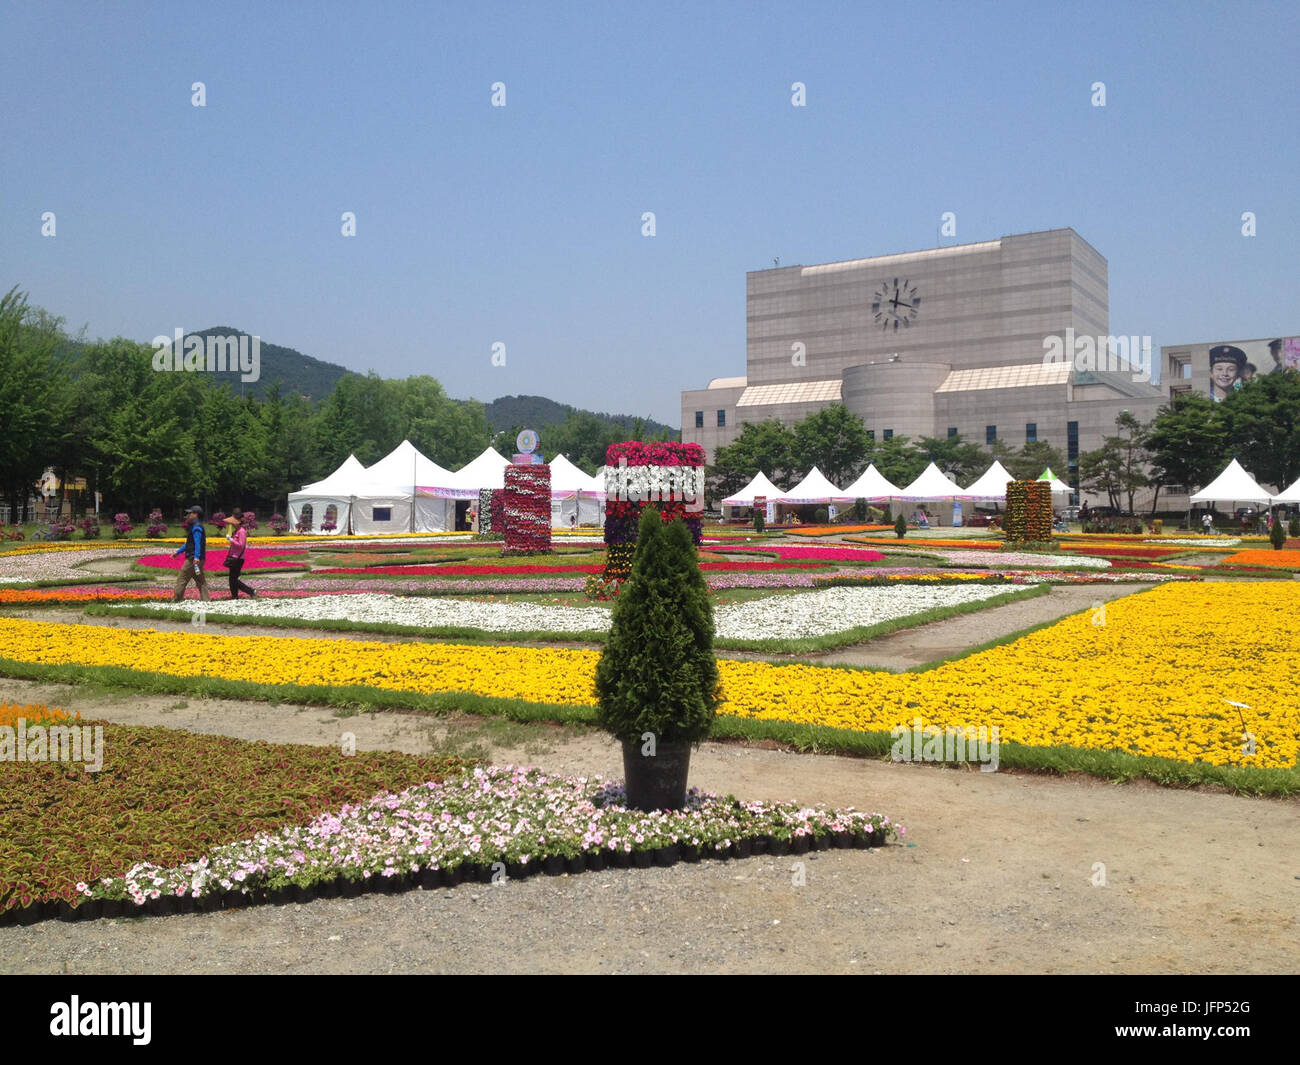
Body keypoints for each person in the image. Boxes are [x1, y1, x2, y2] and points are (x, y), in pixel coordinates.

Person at [172, 505, 210, 602]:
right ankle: (206, 602)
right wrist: (178, 552)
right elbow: (189, 543)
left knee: (182, 578)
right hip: (198, 559)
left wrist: (196, 557)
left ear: (196, 515)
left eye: (190, 513)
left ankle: (176, 601)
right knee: (201, 581)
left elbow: (197, 544)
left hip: (193, 559)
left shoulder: (196, 527)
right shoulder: (195, 526)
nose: (188, 515)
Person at [222, 514, 256, 599]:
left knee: (233, 579)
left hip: (238, 558)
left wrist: (231, 540)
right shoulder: (237, 530)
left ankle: (250, 591)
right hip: (233, 557)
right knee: (232, 579)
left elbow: (241, 545)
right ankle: (235, 596)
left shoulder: (241, 531)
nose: (232, 524)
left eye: (233, 522)